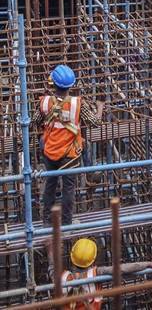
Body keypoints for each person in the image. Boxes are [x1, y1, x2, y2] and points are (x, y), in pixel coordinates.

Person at [34, 65, 104, 226]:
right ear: (71, 85)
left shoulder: (44, 102)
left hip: (49, 152)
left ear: (53, 83)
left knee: (50, 185)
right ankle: (66, 222)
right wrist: (100, 107)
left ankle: (46, 221)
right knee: (68, 189)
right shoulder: (77, 104)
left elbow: (34, 122)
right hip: (69, 154)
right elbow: (95, 123)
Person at [47, 237, 152, 309]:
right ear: (93, 259)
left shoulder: (61, 278)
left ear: (72, 257)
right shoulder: (96, 274)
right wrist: (148, 264)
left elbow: (52, 265)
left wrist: (50, 247)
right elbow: (122, 269)